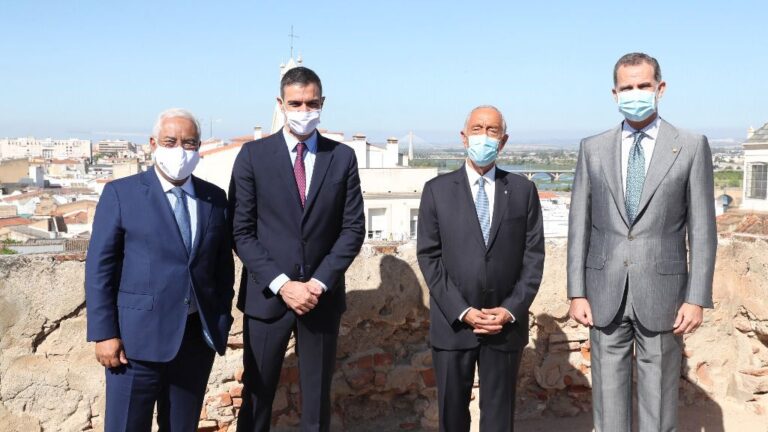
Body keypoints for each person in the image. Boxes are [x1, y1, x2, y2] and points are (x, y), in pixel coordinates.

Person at [567, 52, 717, 432]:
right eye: (627, 87)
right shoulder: (592, 148)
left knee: (660, 401)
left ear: (660, 89)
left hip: (664, 293)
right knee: (607, 399)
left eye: (643, 86)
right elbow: (579, 225)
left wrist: (696, 297)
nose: (636, 93)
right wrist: (576, 291)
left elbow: (701, 229)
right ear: (614, 94)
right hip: (603, 291)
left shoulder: (690, 145)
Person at [229, 66, 365, 432]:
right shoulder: (252, 157)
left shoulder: (342, 158)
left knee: (317, 405)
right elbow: (241, 232)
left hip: (321, 300)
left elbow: (353, 229)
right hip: (267, 300)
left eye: (311, 103)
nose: (304, 111)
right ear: (280, 103)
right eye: (295, 103)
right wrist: (283, 284)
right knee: (256, 399)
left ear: (322, 103)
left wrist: (317, 283)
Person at [85, 108, 235, 431]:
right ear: (153, 143)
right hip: (133, 347)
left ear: (199, 148)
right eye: (171, 140)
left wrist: (220, 319)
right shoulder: (122, 194)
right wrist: (104, 333)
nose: (180, 149)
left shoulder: (214, 199)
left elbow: (223, 268)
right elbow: (100, 268)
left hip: (194, 344)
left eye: (190, 143)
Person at [417, 106, 545, 431]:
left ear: (503, 141)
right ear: (463, 137)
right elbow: (429, 257)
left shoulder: (523, 191)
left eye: (492, 130)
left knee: (499, 419)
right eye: (477, 128)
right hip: (453, 326)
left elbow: (534, 258)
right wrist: (462, 310)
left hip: (504, 326)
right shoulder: (437, 191)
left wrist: (510, 310)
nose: (483, 137)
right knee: (452, 417)